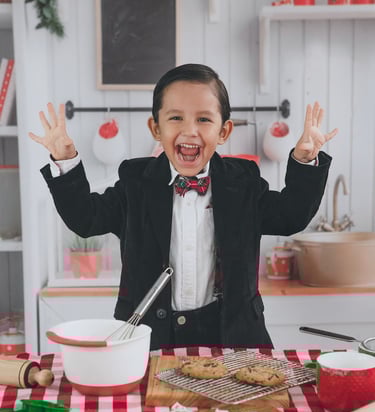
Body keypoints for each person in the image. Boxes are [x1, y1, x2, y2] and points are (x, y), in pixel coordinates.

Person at [29, 63, 337, 351]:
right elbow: (86, 218)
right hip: (150, 338)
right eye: (176, 118)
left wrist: (305, 162)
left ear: (223, 131)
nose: (190, 130)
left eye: (203, 119)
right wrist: (66, 160)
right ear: (156, 128)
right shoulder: (135, 183)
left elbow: (291, 216)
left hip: (234, 337)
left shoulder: (243, 183)